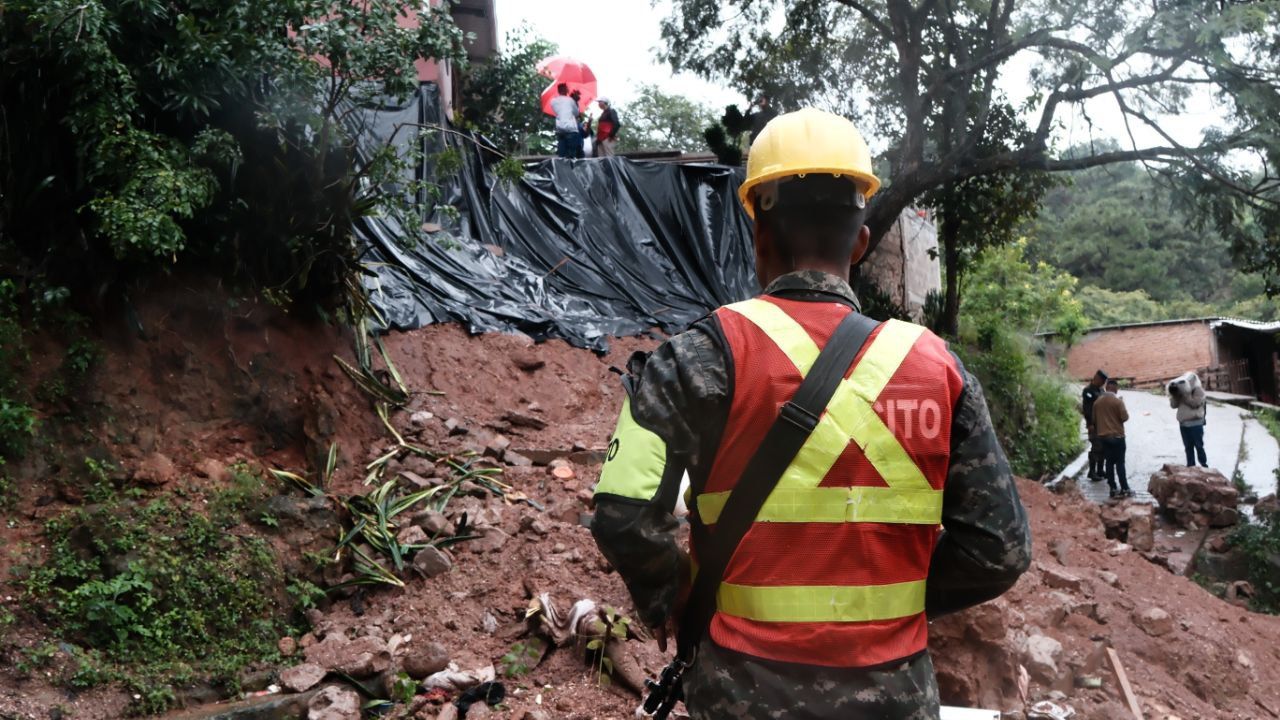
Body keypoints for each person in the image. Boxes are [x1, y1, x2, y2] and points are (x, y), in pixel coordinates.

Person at [590, 108, 1032, 720]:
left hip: (740, 696)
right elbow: (1000, 552)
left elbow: (620, 512)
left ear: (758, 235)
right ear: (860, 241)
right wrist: (886, 605)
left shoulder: (697, 355)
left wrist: (672, 591)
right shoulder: (937, 368)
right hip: (895, 700)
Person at [1093, 378, 1131, 498]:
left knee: (1109, 463)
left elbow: (1094, 420)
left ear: (1106, 387)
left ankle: (1112, 488)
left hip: (1104, 437)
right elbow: (1125, 417)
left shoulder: (1097, 402)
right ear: (1114, 388)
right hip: (1118, 436)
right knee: (1120, 463)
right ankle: (1124, 487)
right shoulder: (1118, 402)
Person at [1168, 371, 1208, 467]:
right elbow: (1173, 405)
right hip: (1183, 425)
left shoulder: (1198, 391)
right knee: (1188, 447)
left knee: (1199, 446)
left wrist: (1185, 395)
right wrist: (1174, 394)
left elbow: (1195, 404)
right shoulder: (1181, 391)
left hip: (1196, 425)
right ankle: (1190, 466)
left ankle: (1204, 466)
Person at [1081, 370, 1108, 482]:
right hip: (1093, 424)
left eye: (1104, 382)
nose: (1102, 384)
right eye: (1101, 381)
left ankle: (1100, 470)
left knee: (1103, 448)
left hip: (1103, 423)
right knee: (1096, 447)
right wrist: (1090, 423)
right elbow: (1087, 409)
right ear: (1096, 378)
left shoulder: (1101, 390)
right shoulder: (1088, 391)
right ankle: (1092, 472)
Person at [549, 83, 579, 159]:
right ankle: (571, 170)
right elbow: (576, 113)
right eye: (567, 88)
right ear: (565, 90)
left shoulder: (553, 101)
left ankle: (563, 170)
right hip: (571, 129)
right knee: (571, 157)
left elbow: (560, 110)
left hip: (560, 129)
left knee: (562, 156)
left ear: (558, 91)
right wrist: (575, 101)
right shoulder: (570, 100)